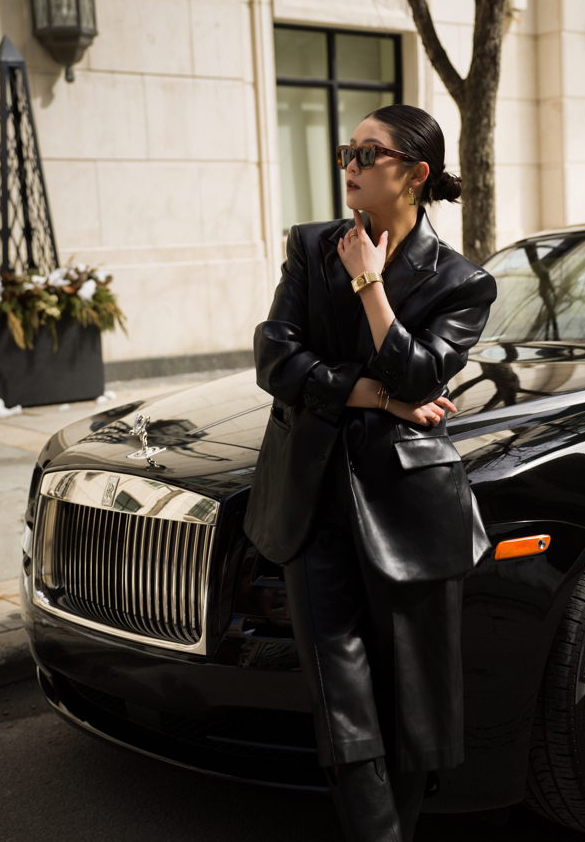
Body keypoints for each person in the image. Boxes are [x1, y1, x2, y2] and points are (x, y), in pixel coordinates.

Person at [243, 104, 497, 841]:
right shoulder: (310, 245)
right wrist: (375, 394)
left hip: (409, 508)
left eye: (367, 152)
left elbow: (422, 374)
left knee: (417, 709)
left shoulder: (461, 282)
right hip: (310, 497)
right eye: (346, 149)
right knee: (343, 705)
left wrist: (370, 285)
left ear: (414, 174)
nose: (348, 163)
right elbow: (274, 360)